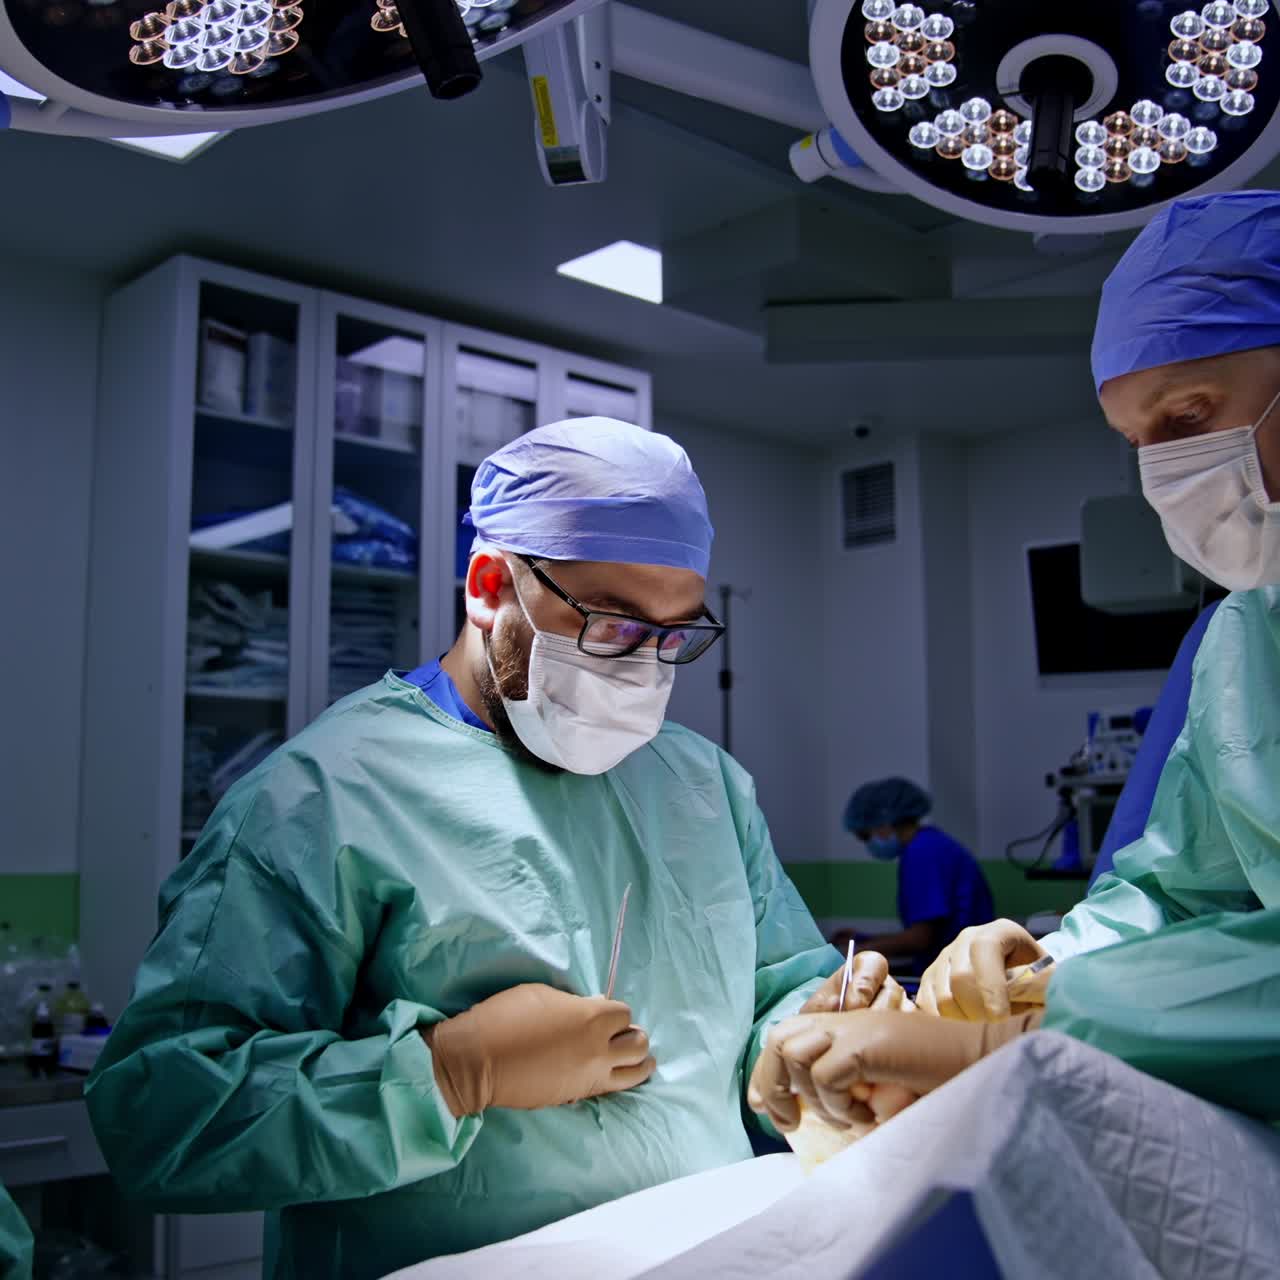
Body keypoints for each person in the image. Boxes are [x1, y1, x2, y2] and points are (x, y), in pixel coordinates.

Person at [85, 417, 867, 1280]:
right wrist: (451, 1073)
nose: (644, 670)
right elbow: (161, 1116)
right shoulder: (324, 797)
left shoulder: (700, 785)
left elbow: (773, 993)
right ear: (491, 588)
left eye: (673, 635)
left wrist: (817, 1034)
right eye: (613, 627)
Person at [750, 191, 1280, 1135]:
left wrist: (1034, 1035)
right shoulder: (1248, 637)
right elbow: (1179, 893)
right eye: (1135, 444)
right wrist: (1055, 964)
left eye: (1187, 415)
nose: (1165, 476)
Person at [838, 778, 994, 972]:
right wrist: (864, 939)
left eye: (864, 836)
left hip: (954, 972)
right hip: (958, 966)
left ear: (884, 824)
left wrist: (853, 954)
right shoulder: (931, 843)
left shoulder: (922, 852)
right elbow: (928, 932)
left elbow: (920, 939)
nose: (867, 844)